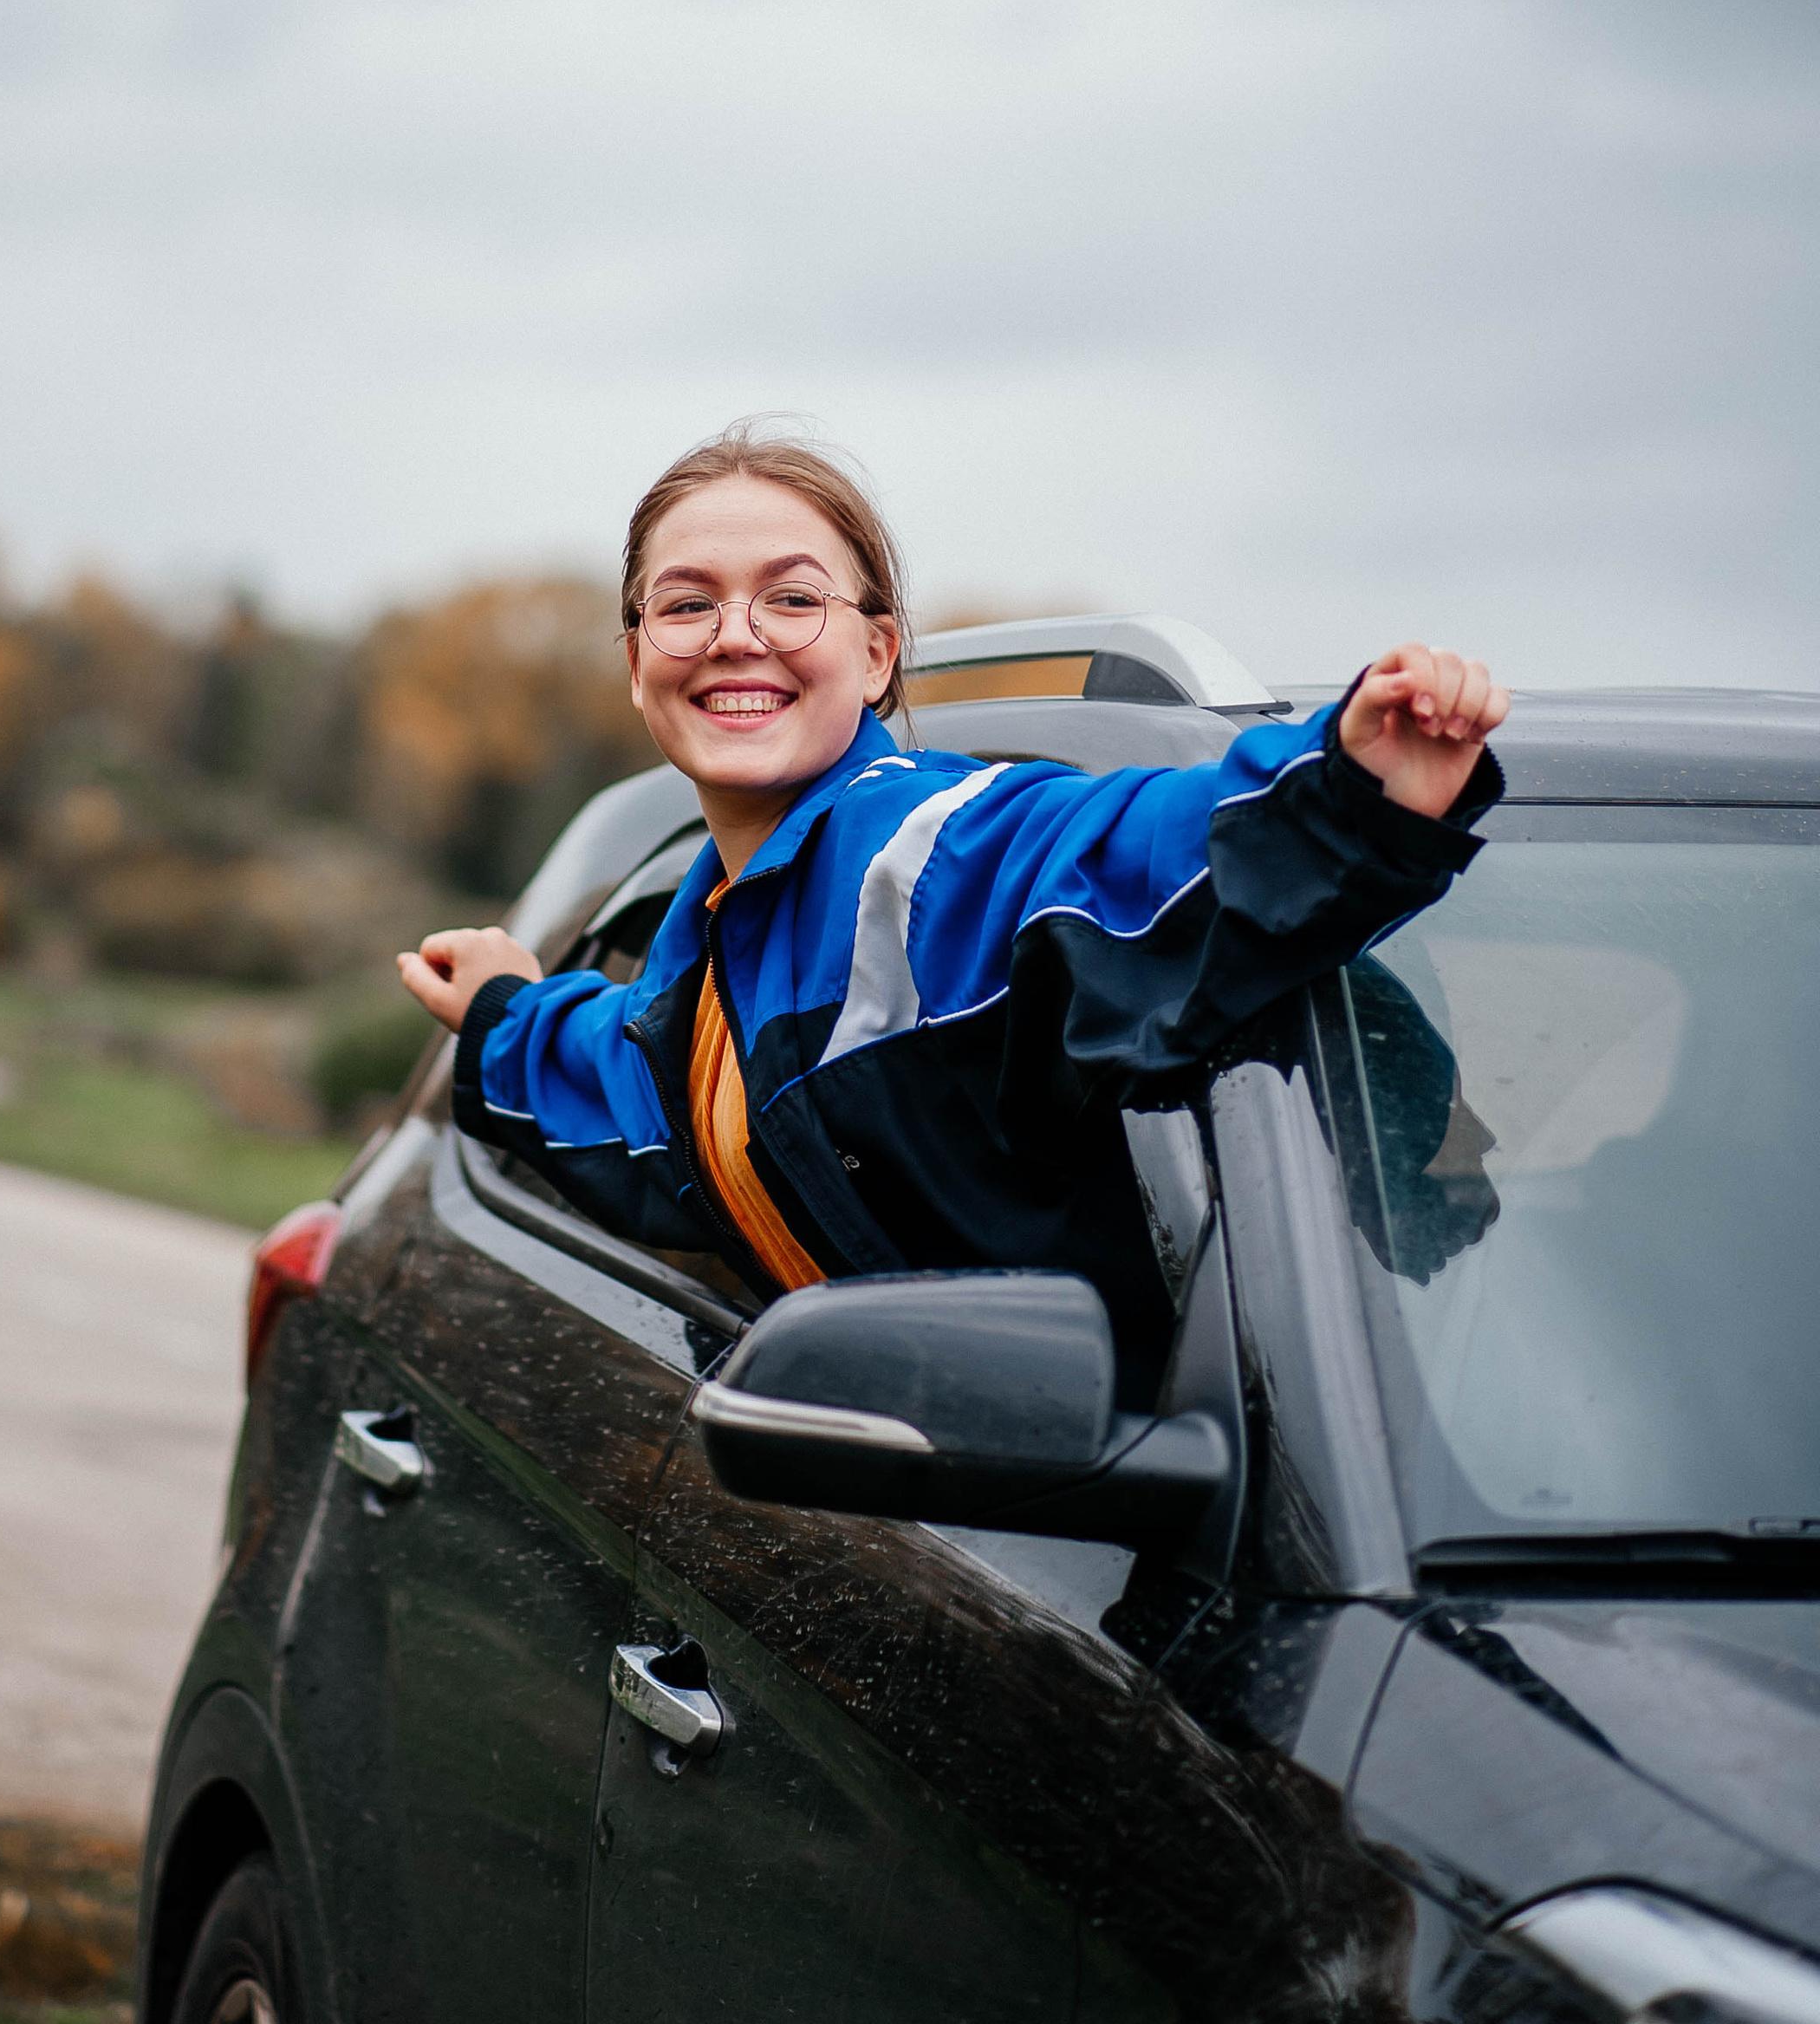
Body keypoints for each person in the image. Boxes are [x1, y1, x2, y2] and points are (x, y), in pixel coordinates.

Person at [400, 425, 1507, 1396]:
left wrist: (1347, 794)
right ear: (638, 659)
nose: (737, 634)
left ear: (877, 652)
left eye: (793, 597)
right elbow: (633, 1079)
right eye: (687, 603)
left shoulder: (923, 856)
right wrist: (504, 1003)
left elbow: (1113, 855)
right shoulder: (712, 951)